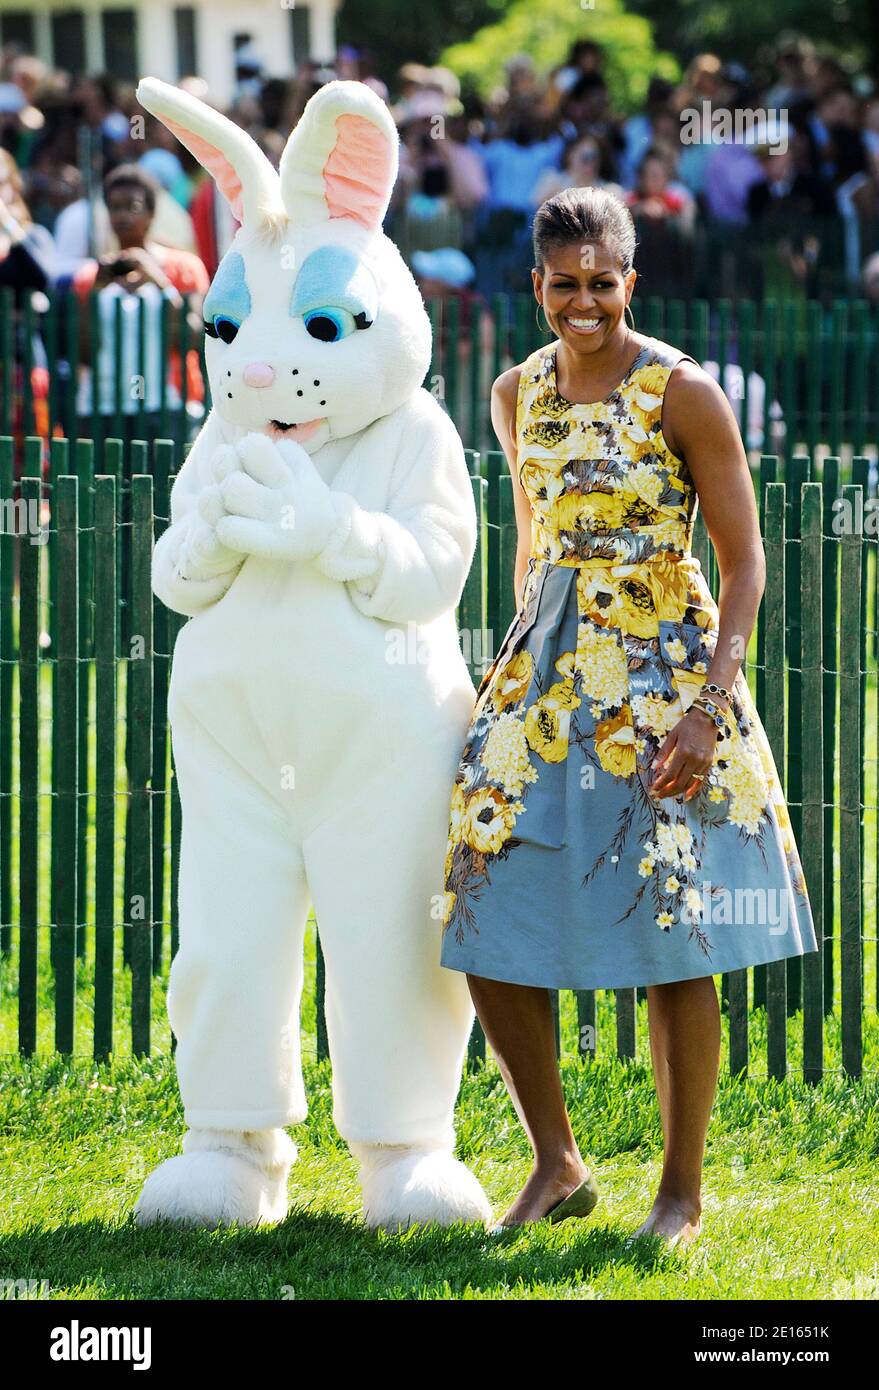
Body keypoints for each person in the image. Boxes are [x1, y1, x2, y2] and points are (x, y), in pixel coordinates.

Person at [438, 185, 818, 1243]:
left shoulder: (682, 392)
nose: (585, 302)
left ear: (630, 280)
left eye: (603, 282)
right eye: (565, 285)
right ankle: (556, 1160)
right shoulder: (517, 392)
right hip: (541, 678)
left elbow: (743, 567)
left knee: (677, 924)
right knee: (479, 897)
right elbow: (529, 540)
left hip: (664, 678)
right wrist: (505, 670)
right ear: (538, 287)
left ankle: (681, 1191)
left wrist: (708, 710)